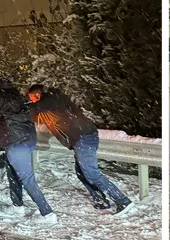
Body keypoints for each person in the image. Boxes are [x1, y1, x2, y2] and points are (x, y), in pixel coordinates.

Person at [0, 72, 56, 222]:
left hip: (15, 141)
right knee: (13, 173)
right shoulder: (13, 92)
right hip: (27, 136)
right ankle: (17, 206)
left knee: (27, 179)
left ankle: (48, 214)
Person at [27, 83, 132, 214]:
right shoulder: (55, 100)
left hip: (83, 138)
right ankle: (100, 199)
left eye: (31, 97)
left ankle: (123, 201)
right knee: (81, 172)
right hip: (83, 137)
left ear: (37, 95)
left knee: (92, 174)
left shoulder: (49, 100)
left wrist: (15, 109)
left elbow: (32, 109)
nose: (31, 100)